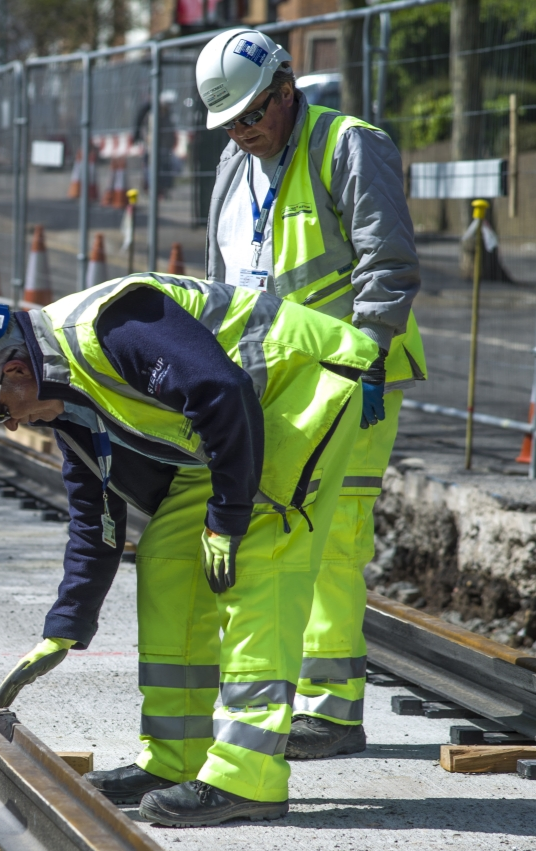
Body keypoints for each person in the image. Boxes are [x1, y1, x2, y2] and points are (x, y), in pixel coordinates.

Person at [0, 273, 377, 826]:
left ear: (16, 370)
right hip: (228, 427)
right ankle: (175, 758)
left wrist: (227, 519)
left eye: (0, 411)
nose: (13, 425)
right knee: (167, 558)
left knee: (257, 565)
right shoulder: (66, 401)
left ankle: (248, 776)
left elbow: (220, 388)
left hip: (297, 386)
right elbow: (94, 519)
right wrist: (66, 624)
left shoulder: (111, 327)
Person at [196, 29, 425, 759]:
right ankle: (301, 698)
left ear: (285, 90)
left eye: (251, 114)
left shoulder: (348, 144)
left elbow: (387, 262)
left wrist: (367, 358)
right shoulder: (233, 165)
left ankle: (332, 712)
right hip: (276, 382)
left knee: (332, 542)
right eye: (228, 122)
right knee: (289, 535)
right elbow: (226, 280)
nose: (241, 130)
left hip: (353, 380)